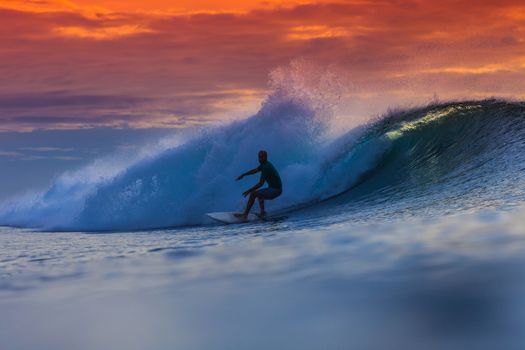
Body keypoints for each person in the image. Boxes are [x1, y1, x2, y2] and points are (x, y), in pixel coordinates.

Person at [235, 150, 282, 219]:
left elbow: (261, 183)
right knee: (259, 194)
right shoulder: (263, 164)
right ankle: (262, 212)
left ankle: (245, 215)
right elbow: (254, 171)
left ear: (266, 157)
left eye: (262, 157)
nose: (260, 159)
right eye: (259, 157)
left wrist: (249, 190)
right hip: (274, 189)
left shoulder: (266, 167)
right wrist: (243, 174)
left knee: (253, 194)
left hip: (276, 190)